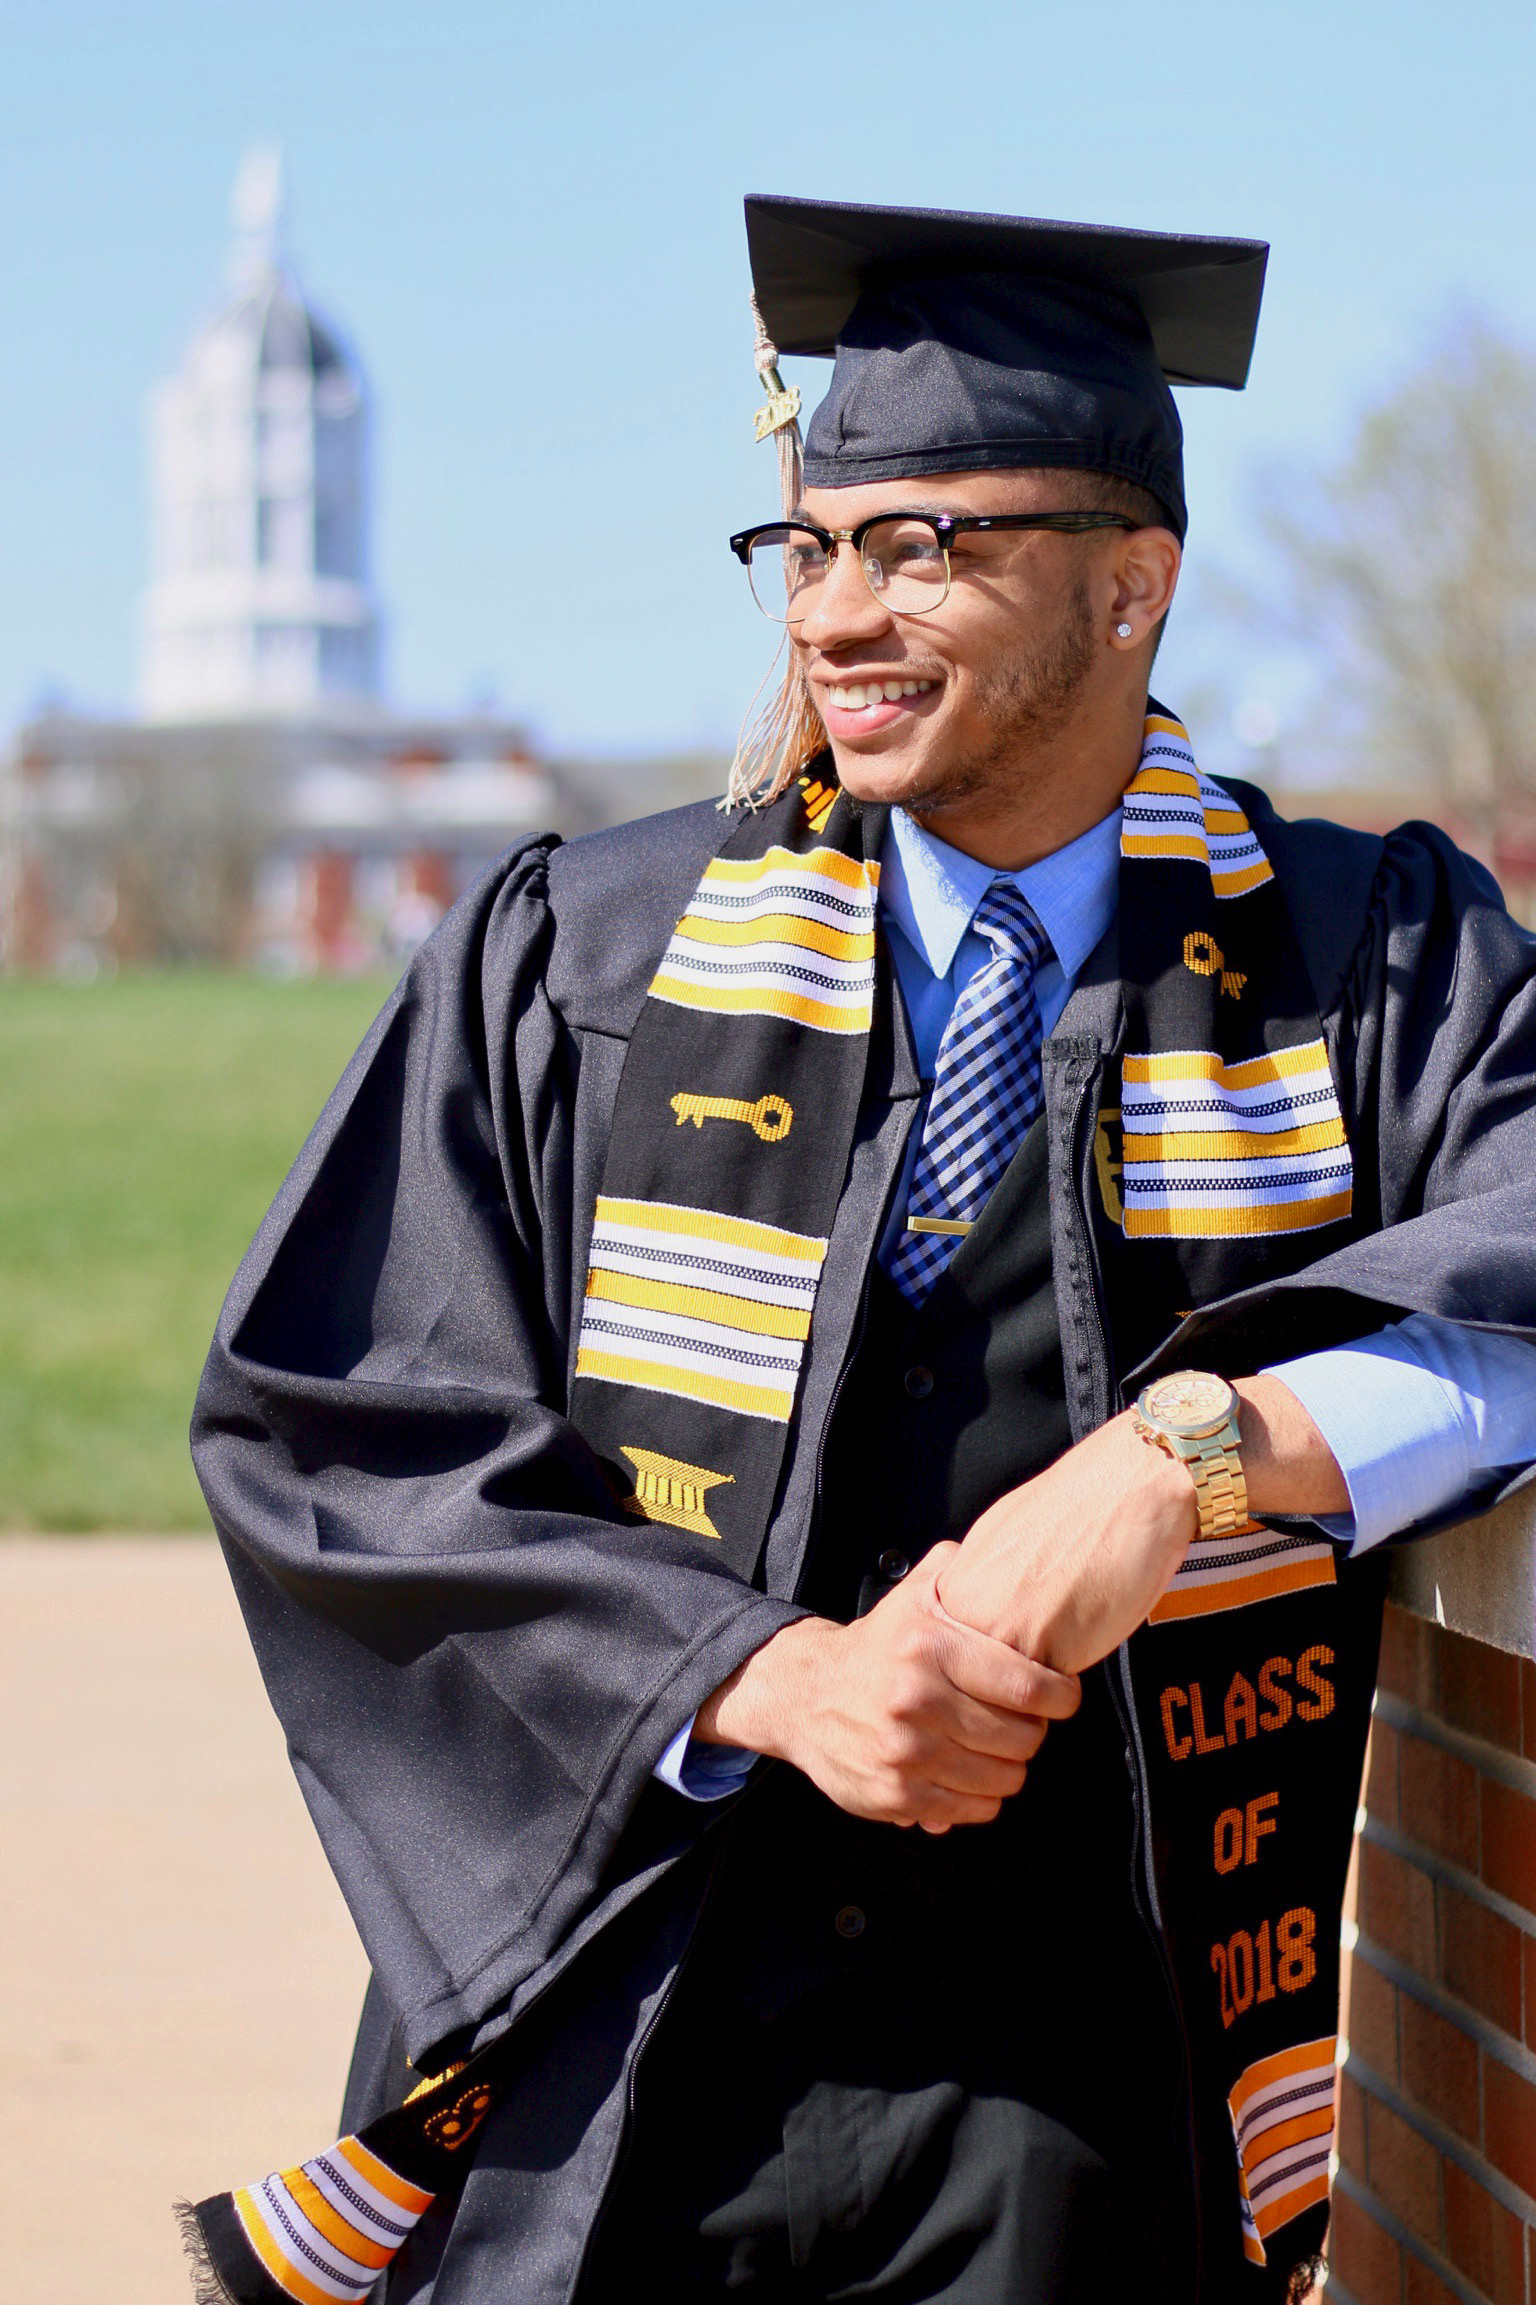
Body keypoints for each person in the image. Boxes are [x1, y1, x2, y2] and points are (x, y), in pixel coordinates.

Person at [184, 196, 1536, 2305]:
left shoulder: (1363, 960)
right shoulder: (589, 963)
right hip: (622, 2066)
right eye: (807, 547)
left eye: (920, 547)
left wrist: (1190, 1454)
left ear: (1132, 586)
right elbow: (342, 1424)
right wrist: (768, 1680)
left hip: (1084, 2115)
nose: (832, 614)